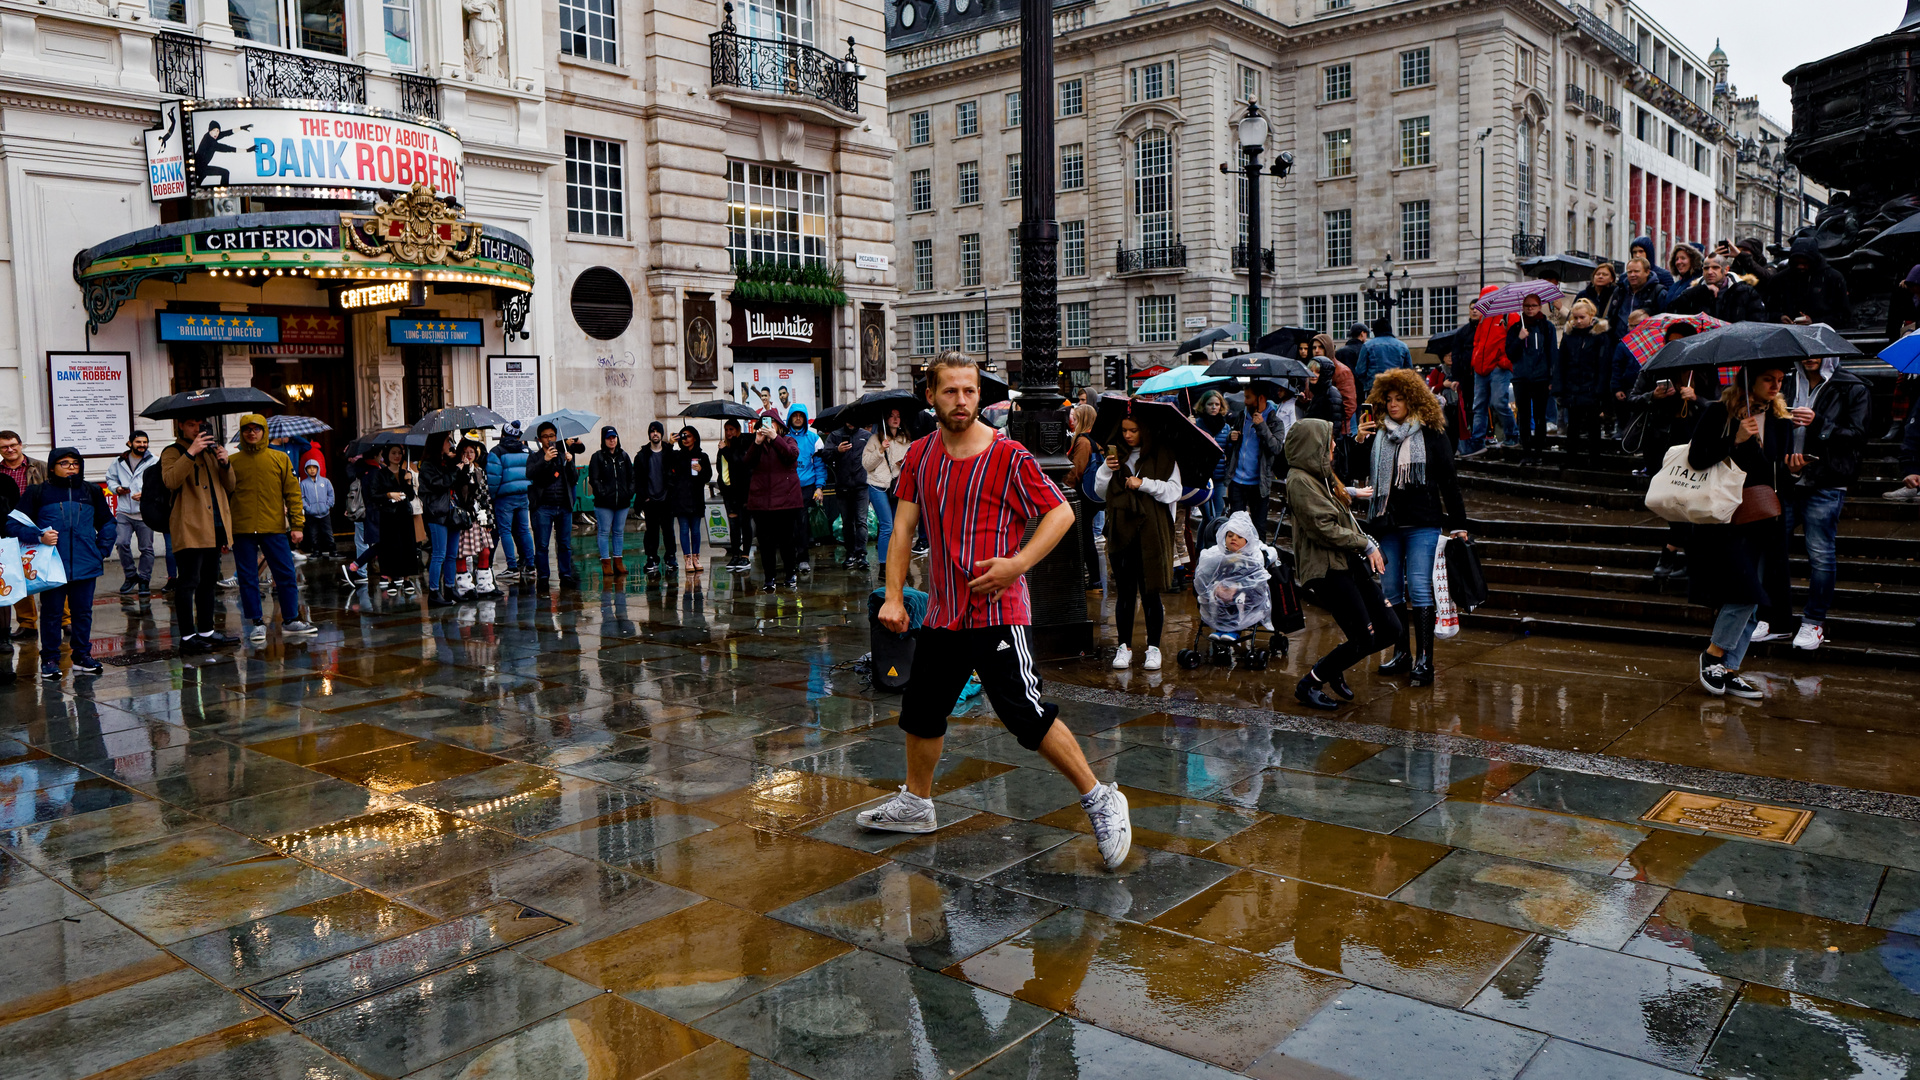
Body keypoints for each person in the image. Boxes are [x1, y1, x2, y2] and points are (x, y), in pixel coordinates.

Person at [859, 352, 1132, 870]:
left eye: (968, 392)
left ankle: (1101, 798)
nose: (960, 401)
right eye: (949, 392)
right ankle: (917, 803)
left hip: (999, 611)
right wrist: (894, 597)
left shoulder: (1008, 456)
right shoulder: (920, 455)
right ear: (931, 397)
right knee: (922, 709)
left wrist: (1017, 565)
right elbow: (901, 531)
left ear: (979, 397)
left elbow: (1059, 513)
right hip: (944, 612)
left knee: (1024, 714)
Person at [1352, 370, 1467, 686]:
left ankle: (1425, 660)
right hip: (1386, 524)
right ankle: (1401, 652)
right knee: (1389, 590)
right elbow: (1359, 471)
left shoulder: (1431, 434)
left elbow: (1449, 482)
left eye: (1399, 399)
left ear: (1413, 399)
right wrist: (1360, 441)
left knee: (1418, 586)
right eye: (1388, 400)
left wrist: (1459, 524)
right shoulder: (1378, 435)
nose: (1392, 405)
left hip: (1422, 522)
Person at [1687, 361, 1793, 699]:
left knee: (1756, 595)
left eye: (1779, 380)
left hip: (1766, 517)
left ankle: (1730, 668)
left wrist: (1795, 466)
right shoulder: (1721, 412)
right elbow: (1697, 458)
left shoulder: (1779, 418)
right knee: (1745, 591)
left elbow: (1775, 471)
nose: (1776, 386)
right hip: (1728, 518)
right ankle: (1714, 655)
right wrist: (1735, 439)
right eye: (1768, 379)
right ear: (1749, 380)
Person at [1285, 418, 1399, 710]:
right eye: (1329, 441)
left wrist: (1350, 492)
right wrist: (1366, 543)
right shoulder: (1299, 480)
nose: (1334, 445)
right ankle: (1310, 682)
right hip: (1327, 570)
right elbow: (1323, 527)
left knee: (1390, 629)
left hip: (1346, 562)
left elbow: (1328, 503)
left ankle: (1332, 667)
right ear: (1314, 446)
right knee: (1362, 637)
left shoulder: (1319, 475)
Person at [1770, 355, 1870, 652]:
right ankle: (1774, 619)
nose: (1810, 358)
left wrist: (1819, 424)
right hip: (1787, 479)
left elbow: (1859, 435)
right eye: (1805, 352)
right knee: (1774, 551)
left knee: (1821, 555)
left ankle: (1814, 621)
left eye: (1818, 352)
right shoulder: (1786, 381)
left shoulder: (1851, 386)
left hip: (1826, 481)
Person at [8, 448, 116, 679]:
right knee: (52, 614)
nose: (71, 467)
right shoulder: (38, 492)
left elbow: (108, 522)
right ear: (53, 466)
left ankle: (82, 657)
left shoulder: (91, 491)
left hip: (86, 563)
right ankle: (49, 659)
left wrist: (101, 550)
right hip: (51, 566)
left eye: (75, 463)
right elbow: (13, 525)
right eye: (64, 463)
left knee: (83, 613)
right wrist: (38, 537)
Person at [1095, 414, 1182, 671]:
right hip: (1122, 531)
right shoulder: (1116, 456)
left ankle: (1153, 647)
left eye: (1133, 430)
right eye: (1124, 430)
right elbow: (1102, 493)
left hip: (1153, 533)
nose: (1127, 435)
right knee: (1125, 593)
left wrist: (1144, 484)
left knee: (1150, 592)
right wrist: (1105, 469)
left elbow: (1174, 491)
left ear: (1144, 431)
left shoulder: (1164, 456)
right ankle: (1125, 646)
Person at [1631, 323, 1713, 581]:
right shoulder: (1654, 366)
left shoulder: (1703, 369)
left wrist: (1696, 399)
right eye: (1671, 341)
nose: (1676, 346)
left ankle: (1671, 552)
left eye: (1682, 341)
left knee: (1686, 500)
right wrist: (1652, 396)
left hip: (1692, 444)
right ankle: (1685, 555)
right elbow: (1630, 399)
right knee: (1668, 500)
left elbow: (1718, 405)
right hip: (1659, 444)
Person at [229, 413, 313, 639]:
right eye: (247, 429)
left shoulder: (280, 458)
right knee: (248, 577)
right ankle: (256, 622)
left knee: (285, 573)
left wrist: (297, 525)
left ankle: (291, 619)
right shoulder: (232, 462)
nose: (252, 433)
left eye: (256, 429)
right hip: (242, 528)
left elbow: (293, 494)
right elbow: (223, 497)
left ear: (264, 432)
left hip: (273, 526)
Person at [160, 417, 238, 652]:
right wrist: (191, 453)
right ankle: (186, 637)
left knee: (208, 580)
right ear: (181, 425)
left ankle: (207, 630)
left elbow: (230, 485)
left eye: (200, 424)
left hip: (214, 525)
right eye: (191, 424)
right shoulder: (172, 452)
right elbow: (171, 481)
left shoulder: (212, 451)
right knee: (188, 581)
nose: (197, 429)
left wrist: (225, 463)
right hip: (189, 526)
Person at [1193, 511, 1273, 645]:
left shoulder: (1252, 559)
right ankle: (1220, 628)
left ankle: (1234, 629)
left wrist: (1237, 588)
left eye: (1239, 536)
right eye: (1230, 535)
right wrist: (1216, 586)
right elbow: (1210, 575)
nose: (1233, 538)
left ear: (1247, 541)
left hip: (1243, 594)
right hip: (1221, 591)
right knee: (1215, 599)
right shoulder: (1218, 556)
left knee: (1238, 600)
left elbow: (1256, 583)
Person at [1554, 298, 1614, 468]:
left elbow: (1603, 364)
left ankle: (1594, 459)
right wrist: (1560, 386)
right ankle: (1571, 458)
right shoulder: (1569, 335)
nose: (1578, 321)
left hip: (1591, 386)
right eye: (1576, 317)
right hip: (1573, 386)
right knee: (1572, 425)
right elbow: (1562, 362)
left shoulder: (1600, 336)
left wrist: (1600, 389)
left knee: (1593, 426)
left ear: (1590, 316)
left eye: (1582, 317)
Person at [746, 414, 802, 591]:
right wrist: (757, 442)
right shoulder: (758, 444)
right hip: (762, 502)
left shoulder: (788, 440)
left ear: (778, 425)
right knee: (766, 542)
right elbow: (747, 462)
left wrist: (775, 438)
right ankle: (769, 578)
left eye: (771, 423)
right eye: (764, 424)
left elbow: (791, 455)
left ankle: (790, 574)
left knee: (787, 541)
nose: (768, 426)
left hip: (786, 501)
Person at [0, 432, 47, 641]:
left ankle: (65, 621)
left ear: (20, 445)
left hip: (38, 526)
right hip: (9, 528)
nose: (9, 450)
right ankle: (27, 624)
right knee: (17, 576)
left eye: (13, 445)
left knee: (48, 573)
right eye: (4, 447)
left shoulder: (40, 466)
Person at [1226, 381, 1286, 539]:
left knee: (1259, 528)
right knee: (1235, 526)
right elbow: (1234, 445)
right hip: (1237, 481)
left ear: (1261, 398)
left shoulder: (1275, 422)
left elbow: (1276, 448)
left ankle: (1259, 561)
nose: (1244, 401)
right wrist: (1231, 438)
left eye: (1248, 397)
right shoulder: (1241, 416)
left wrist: (1262, 426)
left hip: (1259, 483)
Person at [528, 421, 583, 590]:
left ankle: (565, 575)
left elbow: (574, 479)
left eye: (552, 436)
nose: (549, 439)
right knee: (542, 544)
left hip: (563, 506)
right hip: (543, 507)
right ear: (539, 439)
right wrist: (544, 461)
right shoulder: (535, 457)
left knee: (565, 544)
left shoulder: (562, 455)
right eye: (545, 436)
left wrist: (571, 462)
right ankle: (543, 577)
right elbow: (530, 474)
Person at [104, 431, 158, 596]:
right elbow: (110, 478)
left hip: (145, 513)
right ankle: (130, 575)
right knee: (121, 542)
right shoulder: (119, 461)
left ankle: (144, 580)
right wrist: (117, 489)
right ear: (130, 443)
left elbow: (160, 483)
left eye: (145, 442)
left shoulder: (154, 461)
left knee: (146, 549)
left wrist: (146, 494)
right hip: (124, 511)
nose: (142, 445)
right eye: (138, 442)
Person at [1506, 293, 1558, 462]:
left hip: (1541, 377)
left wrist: (1552, 377)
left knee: (1540, 415)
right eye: (1527, 306)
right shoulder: (1515, 328)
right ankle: (1526, 450)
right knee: (1523, 416)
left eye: (1533, 306)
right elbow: (1510, 354)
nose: (1530, 309)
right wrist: (1520, 339)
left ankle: (1539, 451)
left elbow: (1552, 353)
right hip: (1521, 377)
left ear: (1539, 306)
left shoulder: (1546, 327)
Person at [1464, 288, 1516, 456]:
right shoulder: (1484, 318)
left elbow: (1515, 341)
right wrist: (1475, 360)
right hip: (1483, 367)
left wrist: (1504, 362)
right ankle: (1478, 441)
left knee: (1498, 403)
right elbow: (1478, 341)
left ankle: (1512, 435)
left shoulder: (1509, 315)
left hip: (1496, 367)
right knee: (1480, 406)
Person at [863, 407, 913, 575]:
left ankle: (894, 561)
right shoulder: (875, 440)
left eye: (898, 416)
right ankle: (883, 566)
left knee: (896, 527)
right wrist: (880, 451)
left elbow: (911, 462)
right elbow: (866, 465)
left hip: (896, 486)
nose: (895, 419)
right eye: (891, 416)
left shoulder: (905, 440)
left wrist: (903, 464)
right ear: (885, 419)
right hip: (877, 485)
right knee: (887, 526)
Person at [453, 437, 501, 600]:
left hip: (479, 517)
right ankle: (464, 586)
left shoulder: (480, 471)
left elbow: (485, 497)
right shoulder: (457, 470)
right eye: (465, 452)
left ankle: (484, 585)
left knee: (485, 550)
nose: (468, 455)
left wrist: (489, 519)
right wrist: (463, 471)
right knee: (463, 552)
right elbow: (458, 494)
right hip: (463, 517)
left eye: (471, 452)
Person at [1062, 403, 1104, 591]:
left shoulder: (1083, 441)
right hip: (1093, 494)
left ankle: (1094, 580)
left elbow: (1076, 471)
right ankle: (1094, 578)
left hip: (1082, 496)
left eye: (1076, 418)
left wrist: (1064, 492)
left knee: (1085, 536)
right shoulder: (1097, 438)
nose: (1073, 421)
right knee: (1086, 535)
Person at [486, 421, 535, 582]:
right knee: (524, 530)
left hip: (504, 498)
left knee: (505, 532)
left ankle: (512, 567)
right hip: (523, 495)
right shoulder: (527, 450)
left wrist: (492, 497)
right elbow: (532, 472)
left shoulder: (496, 452)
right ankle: (530, 565)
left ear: (502, 435)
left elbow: (493, 479)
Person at [1768, 236, 1852, 327]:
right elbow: (1768, 311)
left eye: (1805, 263)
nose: (1801, 267)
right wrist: (1779, 317)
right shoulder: (1780, 279)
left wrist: (1815, 322)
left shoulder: (1833, 278)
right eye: (1797, 263)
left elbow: (1843, 315)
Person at [418, 431, 462, 605]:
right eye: (447, 440)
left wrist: (456, 463)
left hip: (451, 512)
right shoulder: (428, 465)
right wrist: (454, 471)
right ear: (438, 443)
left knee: (452, 554)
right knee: (439, 554)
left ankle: (450, 588)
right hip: (437, 513)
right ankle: (434, 592)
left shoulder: (446, 462)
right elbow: (439, 484)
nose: (449, 444)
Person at [589, 425, 635, 579]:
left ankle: (618, 560)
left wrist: (629, 492)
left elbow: (631, 477)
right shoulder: (597, 457)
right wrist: (602, 492)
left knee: (618, 532)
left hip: (622, 501)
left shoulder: (624, 456)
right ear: (604, 439)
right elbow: (594, 479)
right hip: (604, 503)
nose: (612, 440)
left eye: (614, 437)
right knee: (603, 531)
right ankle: (606, 562)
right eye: (608, 438)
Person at [374, 445, 421, 594]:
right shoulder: (380, 474)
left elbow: (411, 496)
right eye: (394, 453)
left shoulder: (404, 473)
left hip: (404, 515)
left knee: (407, 546)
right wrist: (389, 495)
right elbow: (374, 495)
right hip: (389, 516)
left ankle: (407, 579)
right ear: (387, 455)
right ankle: (391, 580)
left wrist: (408, 483)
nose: (397, 456)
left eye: (399, 453)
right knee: (390, 547)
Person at [1667, 255, 1768, 324]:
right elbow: (1672, 311)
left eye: (1715, 268)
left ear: (1726, 270)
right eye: (1706, 268)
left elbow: (1758, 322)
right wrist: (1700, 290)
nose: (1710, 272)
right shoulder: (1695, 291)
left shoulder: (1745, 292)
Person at [633, 421, 676, 579]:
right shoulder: (642, 455)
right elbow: (637, 479)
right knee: (651, 532)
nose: (655, 434)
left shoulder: (668, 452)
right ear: (649, 434)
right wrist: (643, 498)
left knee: (669, 531)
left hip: (666, 500)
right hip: (650, 500)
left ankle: (671, 557)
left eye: (658, 431)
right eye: (652, 431)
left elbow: (674, 471)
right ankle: (651, 558)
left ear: (662, 434)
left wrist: (671, 445)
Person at [668, 426, 713, 577]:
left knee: (695, 530)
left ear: (695, 437)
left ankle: (696, 557)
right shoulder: (676, 455)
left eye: (688, 436)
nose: (685, 439)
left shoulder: (702, 456)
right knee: (684, 529)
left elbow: (707, 477)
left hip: (696, 498)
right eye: (683, 436)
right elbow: (665, 461)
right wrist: (670, 444)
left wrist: (701, 470)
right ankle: (687, 558)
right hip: (681, 498)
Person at [787, 404, 825, 573]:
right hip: (787, 488)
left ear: (804, 418)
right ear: (789, 418)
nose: (797, 418)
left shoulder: (814, 438)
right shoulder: (783, 438)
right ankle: (790, 557)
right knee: (789, 524)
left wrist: (819, 487)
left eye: (800, 415)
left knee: (802, 523)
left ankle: (803, 559)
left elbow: (819, 466)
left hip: (806, 487)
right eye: (794, 415)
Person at [341, 447, 383, 589]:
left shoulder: (358, 470)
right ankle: (359, 568)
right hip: (371, 512)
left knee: (361, 541)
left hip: (359, 510)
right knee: (379, 542)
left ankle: (360, 570)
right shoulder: (375, 472)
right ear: (376, 455)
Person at [717, 418, 755, 572]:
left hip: (743, 491)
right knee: (733, 525)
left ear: (738, 430)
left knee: (745, 523)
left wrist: (725, 449)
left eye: (731, 429)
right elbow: (721, 467)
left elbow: (739, 462)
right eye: (726, 430)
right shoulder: (724, 446)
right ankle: (735, 553)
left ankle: (745, 555)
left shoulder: (743, 443)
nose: (728, 433)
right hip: (729, 492)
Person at [1354, 317, 1412, 404]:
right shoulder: (1403, 346)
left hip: (1374, 388)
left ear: (1375, 331)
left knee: (1374, 415)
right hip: (1397, 388)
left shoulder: (1367, 346)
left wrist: (1368, 383)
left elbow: (1360, 371)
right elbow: (1409, 371)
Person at [300, 460, 338, 559]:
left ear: (318, 468)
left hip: (325, 512)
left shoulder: (325, 481)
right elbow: (301, 497)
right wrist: (307, 508)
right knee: (313, 533)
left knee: (328, 532)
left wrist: (327, 505)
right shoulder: (303, 483)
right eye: (309, 468)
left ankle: (333, 551)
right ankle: (316, 551)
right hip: (311, 514)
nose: (312, 470)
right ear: (306, 470)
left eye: (314, 467)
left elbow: (331, 494)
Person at [1662, 245, 1704, 310]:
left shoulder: (1700, 282)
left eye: (1683, 258)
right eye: (1676, 259)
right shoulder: (1675, 285)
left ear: (1693, 260)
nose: (1679, 262)